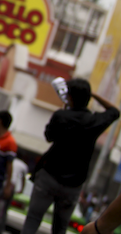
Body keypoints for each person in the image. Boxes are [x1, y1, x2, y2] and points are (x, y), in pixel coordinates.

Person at [22, 79, 119, 234]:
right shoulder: (94, 121)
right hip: (73, 184)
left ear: (70, 97)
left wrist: (65, 110)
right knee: (60, 229)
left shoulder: (61, 116)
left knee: (32, 220)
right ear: (88, 98)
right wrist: (94, 95)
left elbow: (49, 136)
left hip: (49, 176)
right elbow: (114, 111)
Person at [0, 155, 28, 233]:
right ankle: (0, 229)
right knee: (5, 209)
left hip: (3, 183)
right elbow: (23, 179)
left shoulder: (10, 160)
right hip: (12, 186)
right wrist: (21, 190)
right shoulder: (23, 166)